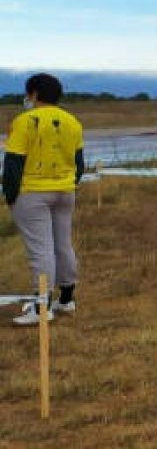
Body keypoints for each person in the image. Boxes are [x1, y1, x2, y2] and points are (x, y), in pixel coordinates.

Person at [3, 74, 85, 326]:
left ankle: (42, 308)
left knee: (41, 251)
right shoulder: (73, 122)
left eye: (28, 93)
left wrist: (11, 196)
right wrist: (68, 184)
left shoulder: (24, 121)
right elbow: (79, 164)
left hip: (33, 192)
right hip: (65, 191)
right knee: (62, 244)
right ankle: (67, 298)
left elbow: (13, 164)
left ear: (35, 93)